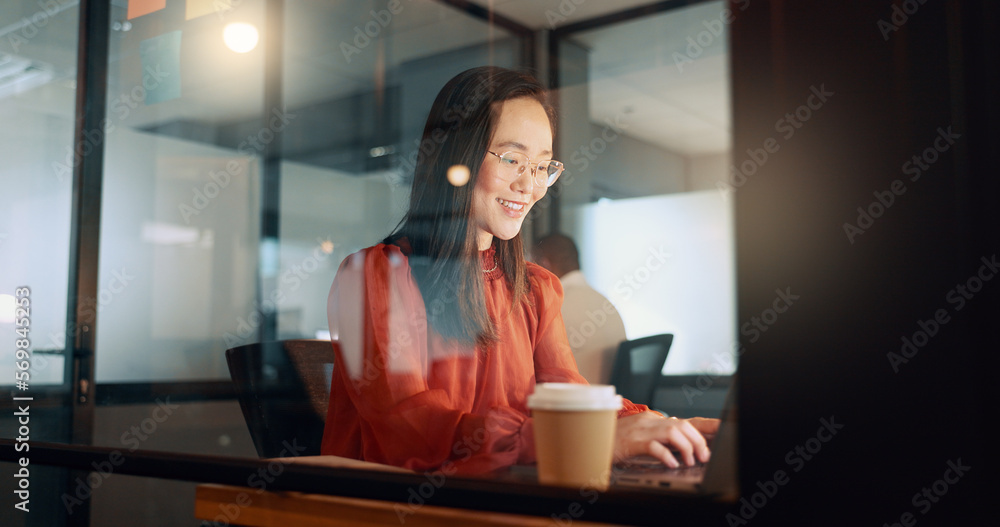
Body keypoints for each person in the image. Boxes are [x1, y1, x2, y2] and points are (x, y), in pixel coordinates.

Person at [321, 66, 717, 475]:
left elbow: (569, 396)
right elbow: (410, 432)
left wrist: (658, 425)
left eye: (542, 166)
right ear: (458, 157)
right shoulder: (376, 276)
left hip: (500, 501)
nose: (530, 185)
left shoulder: (535, 289)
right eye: (513, 159)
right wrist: (582, 439)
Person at [532, 234, 627, 385]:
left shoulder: (554, 307)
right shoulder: (607, 304)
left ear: (545, 265)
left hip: (575, 403)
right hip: (608, 402)